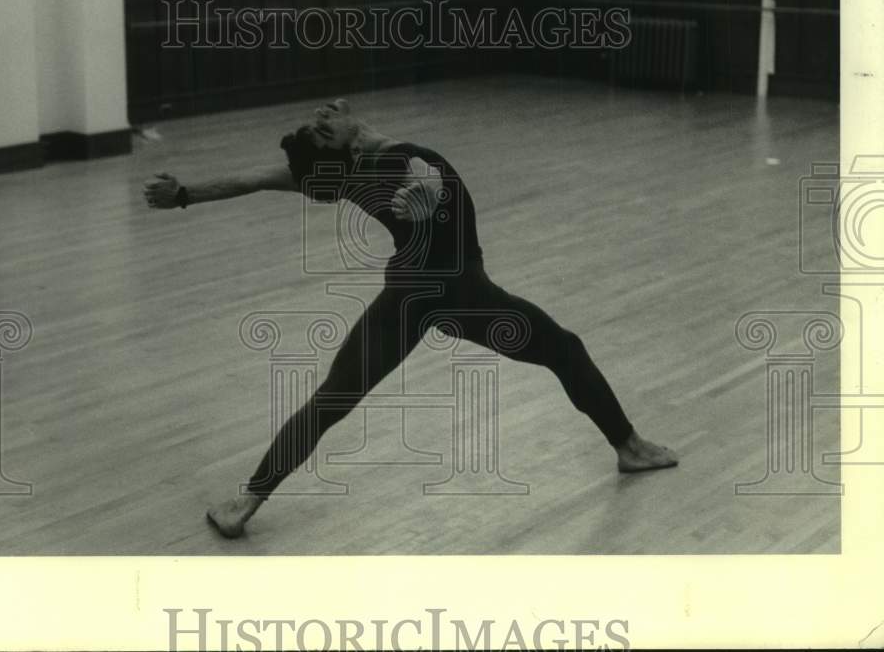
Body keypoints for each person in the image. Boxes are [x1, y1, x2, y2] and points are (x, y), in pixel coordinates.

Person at [143, 98, 678, 538]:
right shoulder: (388, 164)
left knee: (332, 400)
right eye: (321, 126)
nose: (323, 115)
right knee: (565, 348)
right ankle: (628, 446)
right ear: (344, 146)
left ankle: (246, 500)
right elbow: (422, 178)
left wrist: (185, 194)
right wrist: (425, 196)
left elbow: (251, 179)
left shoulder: (339, 173)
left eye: (321, 118)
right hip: (459, 294)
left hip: (405, 293)